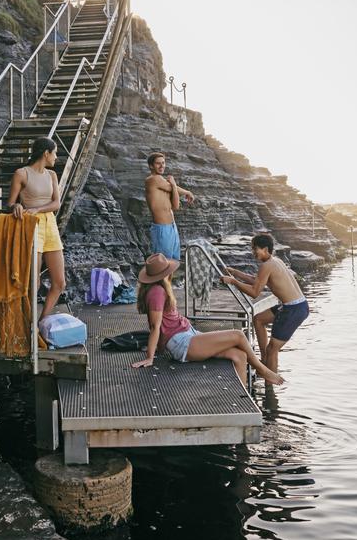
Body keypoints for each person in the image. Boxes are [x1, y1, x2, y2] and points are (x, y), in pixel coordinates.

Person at [132, 253, 283, 385]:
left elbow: (162, 324)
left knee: (239, 355)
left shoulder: (159, 289)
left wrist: (160, 347)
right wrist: (150, 357)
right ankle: (262, 370)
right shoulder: (157, 292)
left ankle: (242, 399)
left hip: (189, 335)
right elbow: (155, 326)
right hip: (182, 343)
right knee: (238, 335)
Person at [220, 233, 309, 375]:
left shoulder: (267, 265)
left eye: (255, 249)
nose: (253, 252)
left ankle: (270, 385)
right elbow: (257, 281)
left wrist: (233, 282)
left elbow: (255, 292)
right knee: (259, 319)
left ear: (265, 249)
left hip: (294, 309)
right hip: (295, 305)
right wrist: (236, 273)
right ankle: (264, 358)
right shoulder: (275, 261)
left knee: (272, 349)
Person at [7, 136, 65, 320]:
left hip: (50, 225)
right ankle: (28, 324)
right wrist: (16, 206)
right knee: (34, 281)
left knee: (60, 282)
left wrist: (38, 208)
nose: (56, 157)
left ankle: (41, 323)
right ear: (46, 153)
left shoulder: (52, 175)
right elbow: (11, 203)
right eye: (55, 153)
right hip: (32, 226)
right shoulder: (22, 173)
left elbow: (56, 204)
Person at [145, 152, 195, 270]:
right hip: (161, 229)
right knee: (162, 265)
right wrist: (177, 186)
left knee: (172, 263)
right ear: (151, 166)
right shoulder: (152, 179)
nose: (162, 166)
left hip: (172, 227)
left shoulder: (162, 182)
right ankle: (160, 288)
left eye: (163, 163)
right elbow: (172, 188)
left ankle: (167, 288)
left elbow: (175, 205)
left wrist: (184, 190)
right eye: (158, 163)